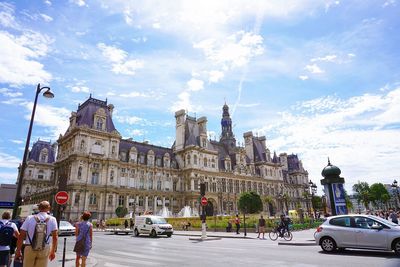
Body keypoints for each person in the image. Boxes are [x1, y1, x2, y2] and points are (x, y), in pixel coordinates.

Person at [15, 201, 58, 267]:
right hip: (44, 247)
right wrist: (53, 251)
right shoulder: (52, 219)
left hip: (29, 246)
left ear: (39, 208)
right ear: (49, 208)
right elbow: (55, 237)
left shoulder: (29, 218)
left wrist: (18, 251)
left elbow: (21, 236)